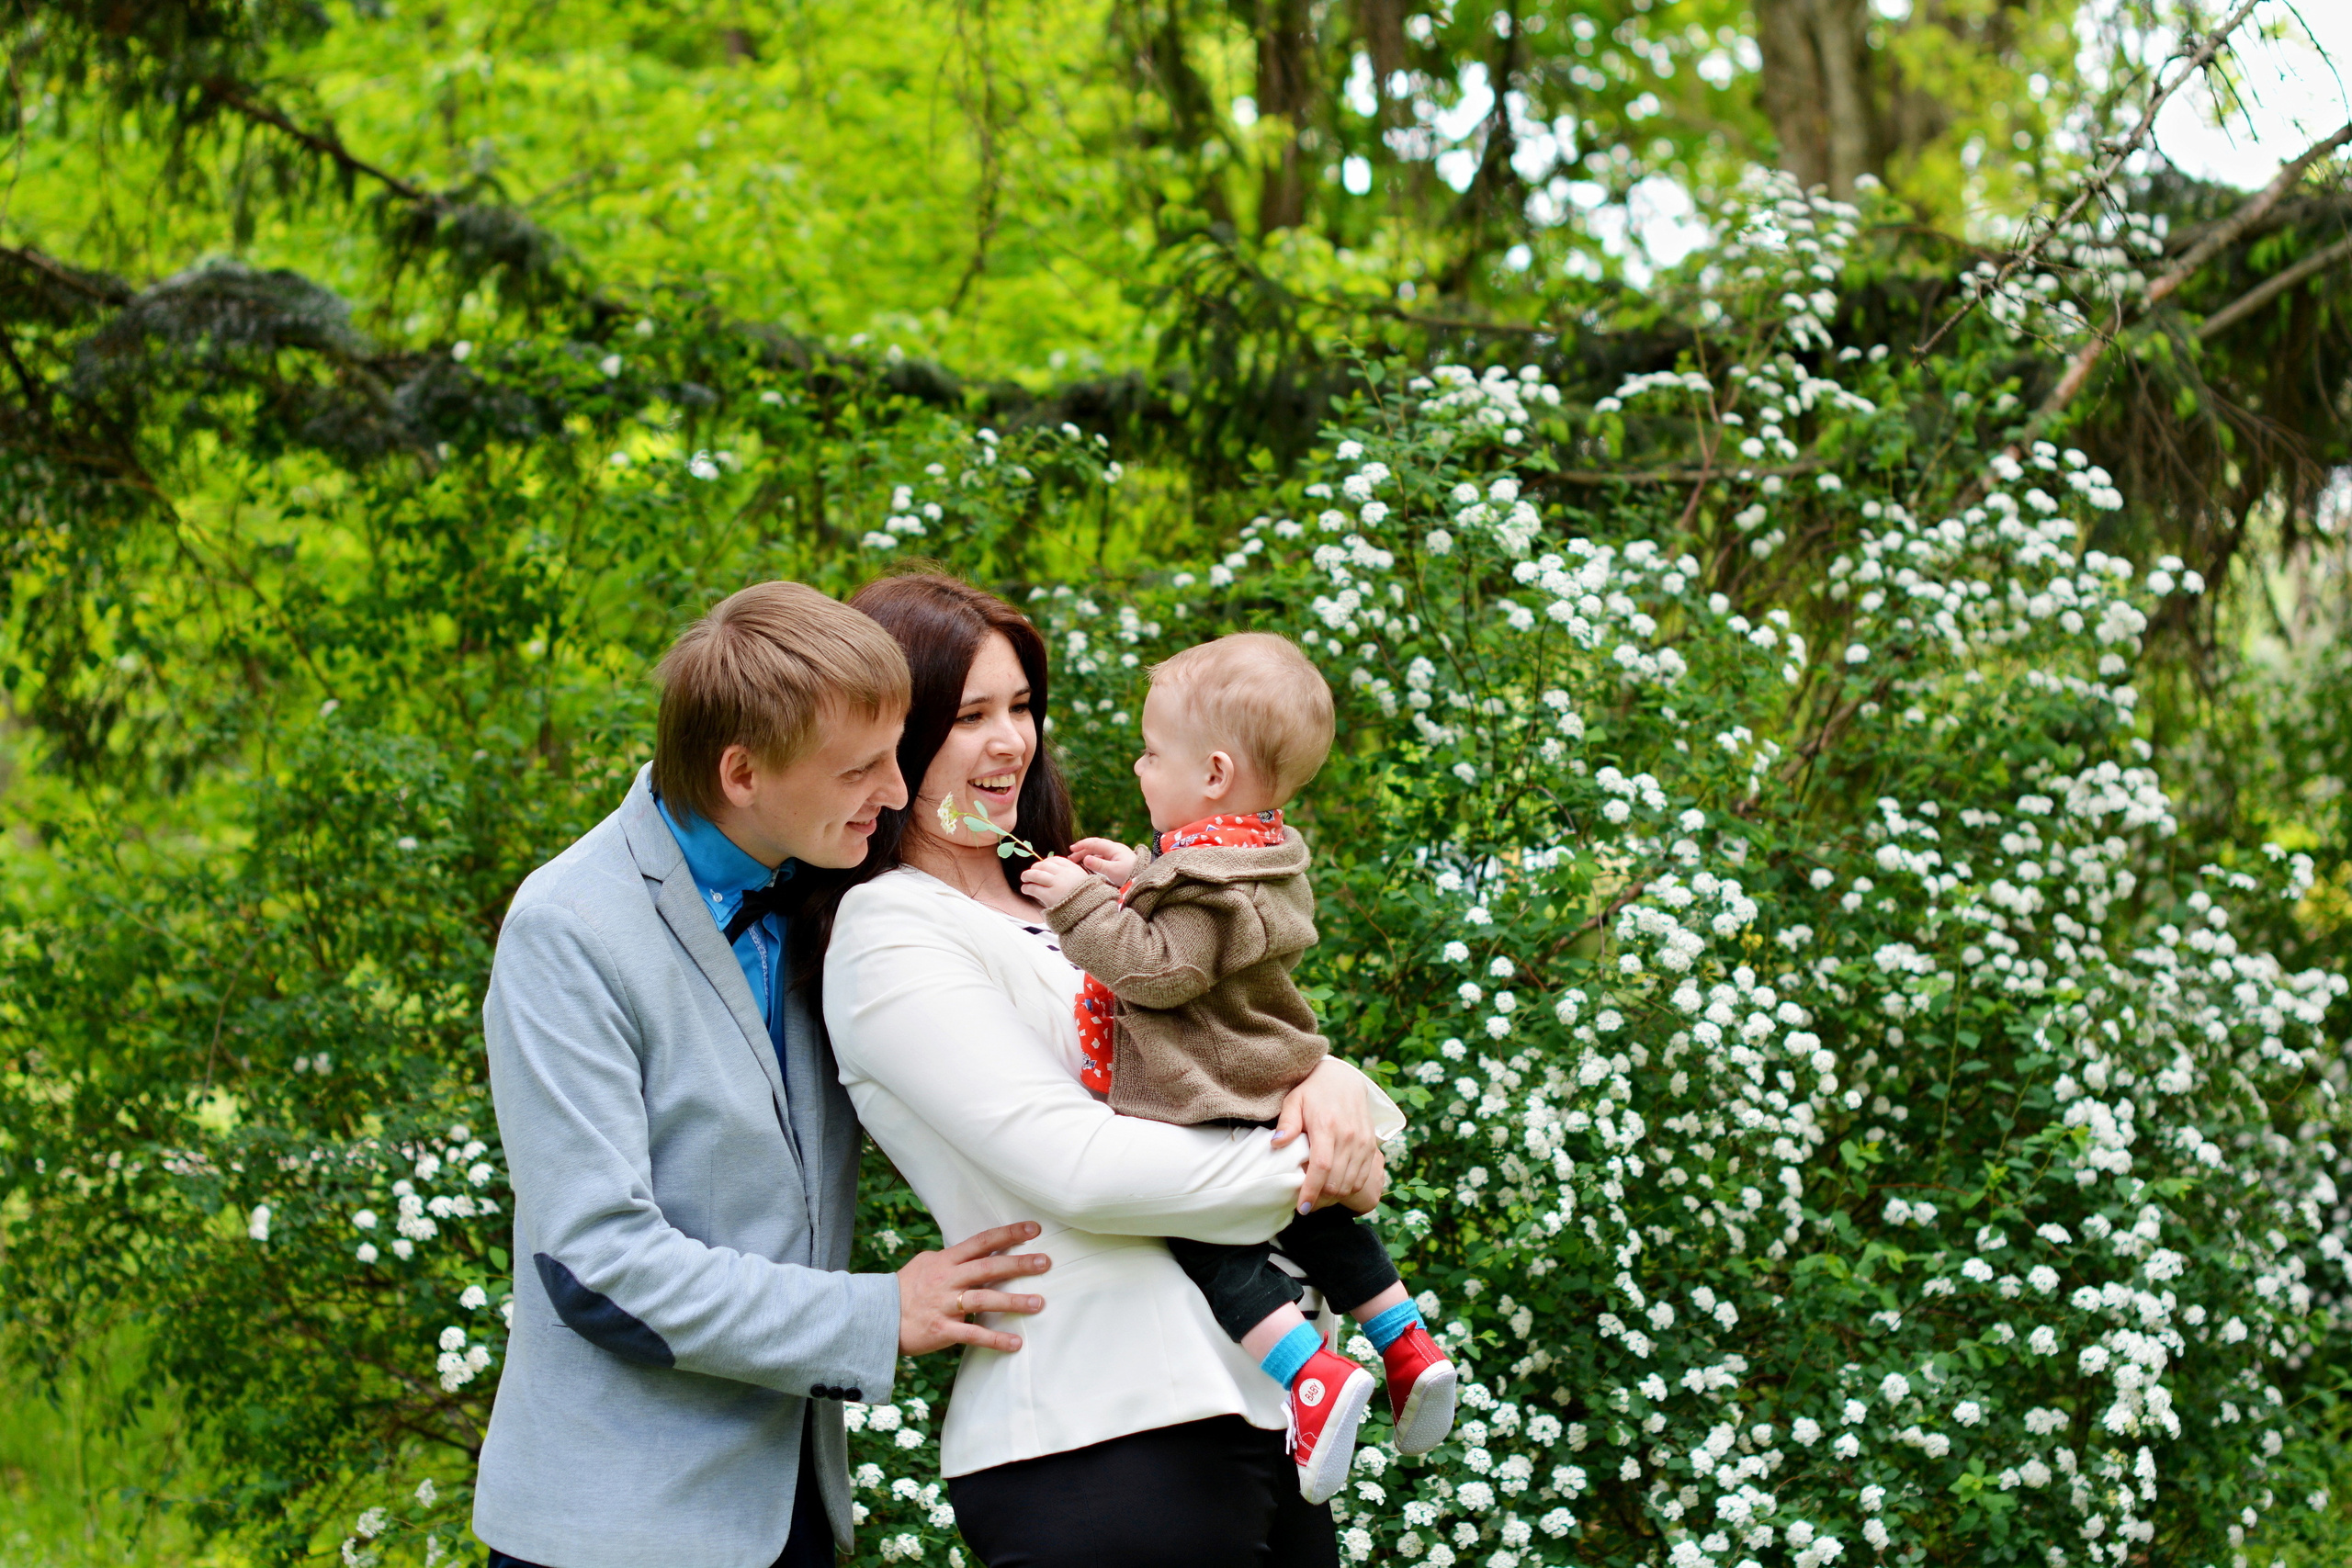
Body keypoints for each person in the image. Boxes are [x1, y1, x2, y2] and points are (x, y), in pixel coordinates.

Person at [814, 572, 1401, 1568]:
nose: (1011, 741)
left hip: (1264, 1411)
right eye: (970, 716)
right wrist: (1313, 1168)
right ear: (890, 738)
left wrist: (1337, 1086)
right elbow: (1081, 1170)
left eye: (1021, 707)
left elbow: (1234, 1050)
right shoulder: (891, 934)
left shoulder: (1094, 906)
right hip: (1096, 1436)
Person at [472, 581, 1052, 1568]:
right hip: (616, 1532)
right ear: (741, 772)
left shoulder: (831, 888)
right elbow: (597, 1264)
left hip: (792, 1518)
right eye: (861, 769)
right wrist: (875, 1313)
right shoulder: (567, 929)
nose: (895, 790)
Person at [1015, 632, 1456, 1506]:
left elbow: (1163, 970)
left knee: (1211, 1243)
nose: (1139, 767)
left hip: (1208, 1088)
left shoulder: (1213, 877)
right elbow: (1206, 922)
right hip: (1264, 1069)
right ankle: (1405, 1340)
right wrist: (1136, 874)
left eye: (1150, 752)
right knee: (1316, 1219)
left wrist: (1078, 906)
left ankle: (1311, 1373)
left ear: (1212, 773)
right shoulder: (1256, 851)